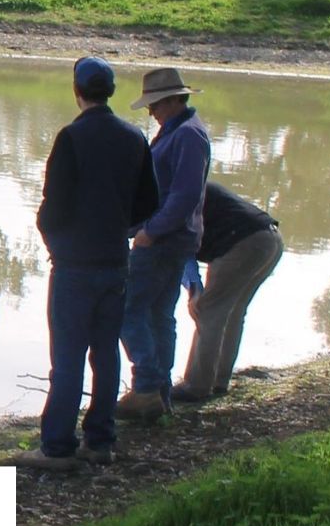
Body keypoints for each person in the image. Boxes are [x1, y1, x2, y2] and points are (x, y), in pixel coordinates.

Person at [18, 57, 159, 471]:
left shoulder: (71, 138)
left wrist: (53, 239)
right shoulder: (135, 137)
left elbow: (52, 204)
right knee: (105, 353)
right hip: (116, 261)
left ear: (77, 91)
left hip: (75, 265)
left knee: (67, 357)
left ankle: (58, 445)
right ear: (110, 91)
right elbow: (148, 203)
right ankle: (100, 439)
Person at [118, 67, 211, 421]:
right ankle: (158, 392)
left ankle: (146, 388)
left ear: (174, 99)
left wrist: (150, 232)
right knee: (158, 314)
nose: (151, 111)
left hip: (164, 240)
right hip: (171, 239)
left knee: (128, 311)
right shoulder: (177, 131)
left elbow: (185, 196)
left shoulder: (188, 135)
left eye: (155, 104)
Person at [173, 182, 283, 402]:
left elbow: (181, 240)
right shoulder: (188, 183)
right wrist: (194, 288)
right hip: (271, 239)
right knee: (232, 312)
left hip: (242, 242)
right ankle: (219, 381)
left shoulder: (175, 195)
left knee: (209, 311)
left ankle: (197, 386)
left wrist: (194, 289)